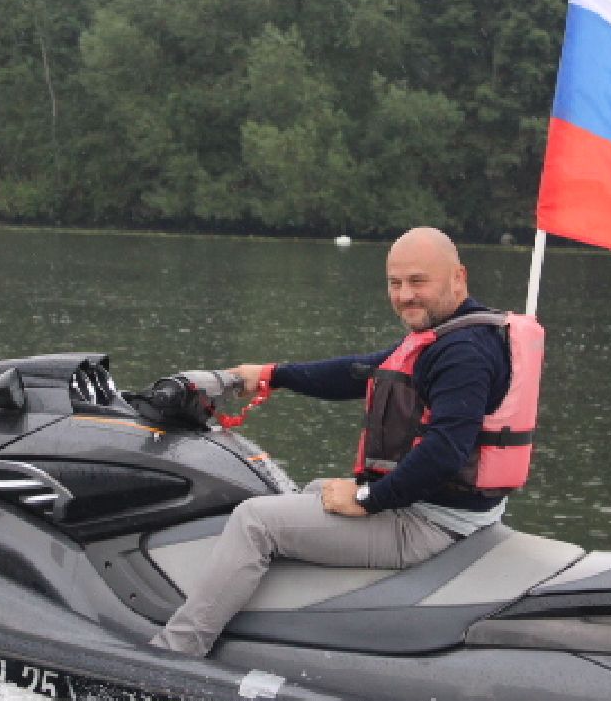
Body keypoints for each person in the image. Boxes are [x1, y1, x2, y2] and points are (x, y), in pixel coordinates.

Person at [151, 226, 520, 657]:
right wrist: (273, 375)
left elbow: (444, 453)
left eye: (418, 282)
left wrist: (367, 497)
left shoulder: (463, 354)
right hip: (450, 512)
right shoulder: (455, 333)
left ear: (459, 277)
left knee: (255, 522)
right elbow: (360, 371)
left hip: (432, 525)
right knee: (308, 494)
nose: (404, 296)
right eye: (395, 283)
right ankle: (269, 637)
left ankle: (174, 653)